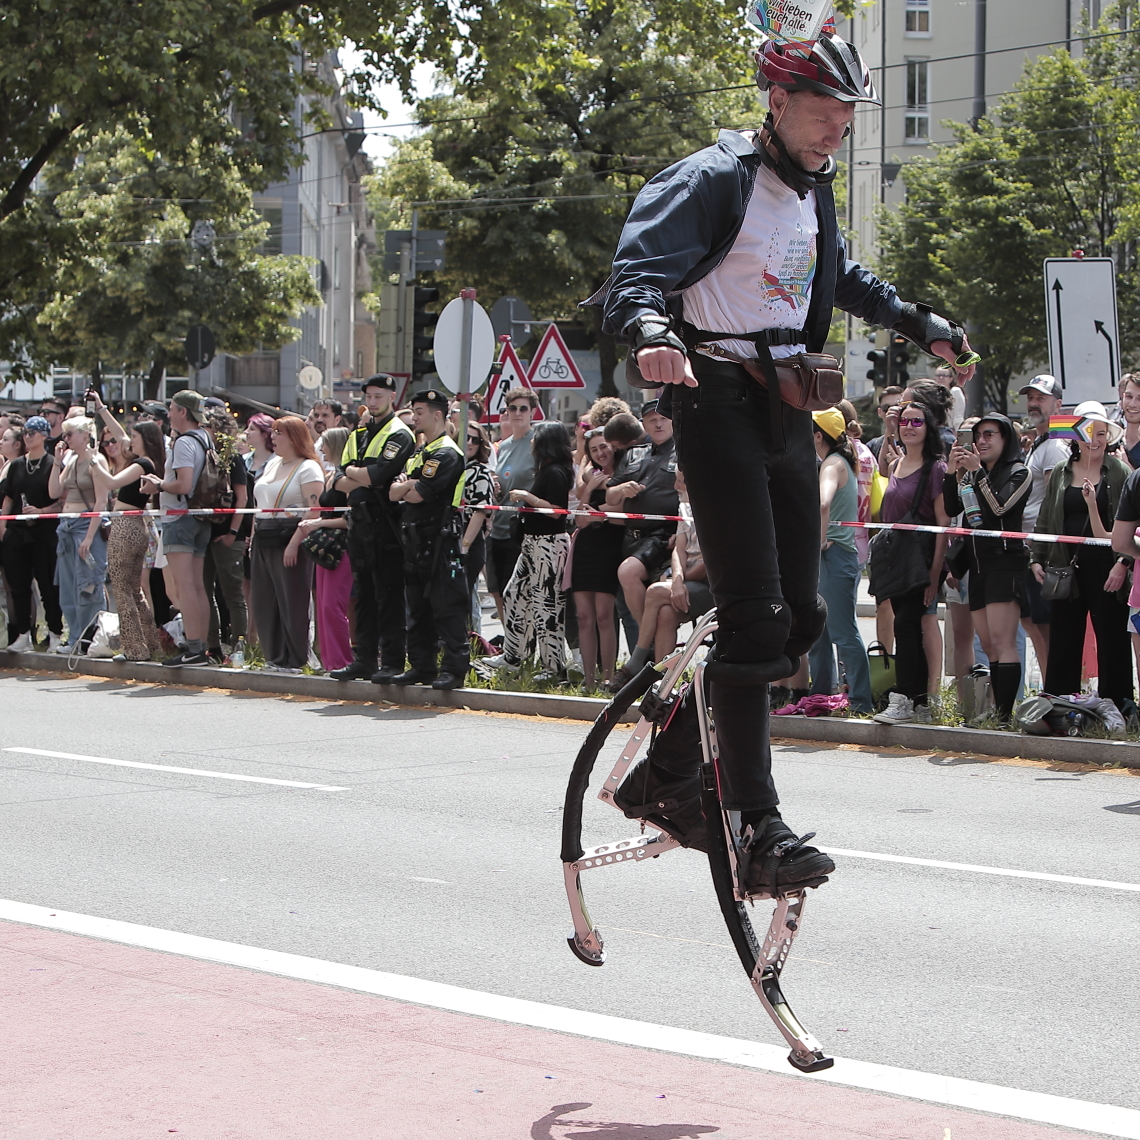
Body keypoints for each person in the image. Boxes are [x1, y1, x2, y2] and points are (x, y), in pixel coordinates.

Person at [590, 24, 975, 892]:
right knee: (756, 611)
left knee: (798, 616)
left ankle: (666, 772)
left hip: (790, 407)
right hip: (714, 398)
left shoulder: (811, 188)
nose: (841, 125)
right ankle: (753, 822)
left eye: (848, 111)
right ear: (776, 101)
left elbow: (839, 275)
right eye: (825, 108)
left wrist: (921, 323)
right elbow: (634, 278)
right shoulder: (710, 179)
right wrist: (653, 333)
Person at [1032, 402, 1133, 709]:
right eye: (1089, 432)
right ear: (1075, 436)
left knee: (1112, 638)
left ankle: (1118, 706)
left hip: (1108, 566)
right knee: (1064, 637)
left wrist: (1123, 563)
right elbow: (1046, 516)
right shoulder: (1062, 472)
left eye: (1102, 433)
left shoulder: (1119, 471)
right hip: (1066, 564)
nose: (1095, 439)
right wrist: (1037, 556)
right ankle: (1059, 705)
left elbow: (1133, 521)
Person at [944, 415, 1031, 723]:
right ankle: (997, 712)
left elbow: (1000, 508)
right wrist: (953, 473)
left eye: (989, 434)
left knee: (1003, 641)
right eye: (978, 435)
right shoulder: (971, 476)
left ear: (1005, 438)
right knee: (988, 644)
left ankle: (1006, 715)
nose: (982, 440)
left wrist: (978, 473)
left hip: (1004, 564)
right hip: (977, 567)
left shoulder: (1018, 472)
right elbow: (953, 508)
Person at [329, 374, 416, 683]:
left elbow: (379, 475)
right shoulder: (360, 432)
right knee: (363, 596)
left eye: (379, 396)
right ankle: (364, 659)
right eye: (369, 396)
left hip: (387, 524)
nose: (373, 401)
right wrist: (358, 475)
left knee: (388, 596)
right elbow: (336, 482)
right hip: (360, 525)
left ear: (392, 397)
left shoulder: (399, 433)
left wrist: (356, 475)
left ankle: (391, 662)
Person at [871, 398, 951, 725]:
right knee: (908, 627)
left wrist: (934, 574)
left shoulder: (937, 467)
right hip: (896, 560)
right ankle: (919, 703)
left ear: (928, 427)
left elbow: (943, 523)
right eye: (905, 421)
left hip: (923, 562)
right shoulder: (896, 464)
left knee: (905, 624)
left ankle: (903, 696)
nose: (909, 427)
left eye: (917, 421)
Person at [477, 421, 575, 682]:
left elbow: (556, 511)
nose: (531, 441)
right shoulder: (546, 470)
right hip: (532, 543)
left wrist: (528, 498)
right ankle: (513, 656)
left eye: (536, 437)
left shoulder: (555, 471)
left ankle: (554, 669)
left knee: (547, 607)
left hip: (548, 544)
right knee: (514, 595)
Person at [388, 389, 470, 690]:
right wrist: (406, 486)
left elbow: (418, 493)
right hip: (415, 540)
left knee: (446, 606)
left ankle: (453, 669)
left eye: (419, 411)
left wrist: (406, 487)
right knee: (417, 607)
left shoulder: (446, 453)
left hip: (439, 540)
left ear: (437, 415)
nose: (414, 417)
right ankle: (421, 666)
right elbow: (395, 492)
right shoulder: (420, 452)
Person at [607, 468, 712, 692]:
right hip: (684, 580)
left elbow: (710, 561)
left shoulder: (715, 510)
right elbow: (679, 551)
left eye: (681, 482)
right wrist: (677, 581)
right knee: (665, 614)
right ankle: (663, 684)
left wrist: (678, 582)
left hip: (709, 586)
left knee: (654, 591)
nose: (676, 486)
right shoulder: (684, 507)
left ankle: (635, 664)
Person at [137, 391, 216, 666]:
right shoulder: (205, 438)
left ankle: (193, 648)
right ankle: (201, 646)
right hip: (198, 517)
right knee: (197, 586)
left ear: (183, 412)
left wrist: (158, 484)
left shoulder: (184, 442)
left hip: (179, 518)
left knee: (186, 587)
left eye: (171, 408)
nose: (168, 413)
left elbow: (183, 485)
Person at [807, 407, 873, 715]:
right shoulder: (841, 460)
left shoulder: (832, 464)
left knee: (843, 632)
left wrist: (819, 540)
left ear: (818, 435)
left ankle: (861, 702)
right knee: (820, 633)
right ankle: (821, 696)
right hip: (834, 558)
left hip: (834, 557)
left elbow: (823, 502)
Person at [87, 411, 166, 662]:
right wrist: (101, 409)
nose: (128, 440)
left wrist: (94, 461)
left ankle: (133, 648)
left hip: (126, 526)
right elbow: (119, 432)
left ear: (145, 439)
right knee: (134, 590)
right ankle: (150, 645)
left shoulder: (142, 464)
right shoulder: (143, 461)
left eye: (134, 436)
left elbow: (110, 482)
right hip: (133, 526)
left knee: (122, 589)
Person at [249, 415, 325, 672]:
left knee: (292, 599)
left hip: (290, 536)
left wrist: (294, 543)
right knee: (264, 598)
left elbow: (314, 510)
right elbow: (258, 505)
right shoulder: (272, 464)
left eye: (278, 432)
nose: (272, 436)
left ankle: (296, 657)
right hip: (264, 535)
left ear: (293, 438)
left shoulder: (308, 468)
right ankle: (274, 655)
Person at [607, 402, 679, 636]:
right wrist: (621, 490)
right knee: (632, 598)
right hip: (631, 537)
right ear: (643, 424)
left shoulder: (685, 451)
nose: (658, 423)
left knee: (628, 572)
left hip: (664, 535)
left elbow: (699, 497)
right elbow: (610, 493)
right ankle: (651, 647)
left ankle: (647, 640)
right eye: (652, 420)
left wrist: (683, 531)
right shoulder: (632, 454)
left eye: (663, 418)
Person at [1016, 376, 1069, 671]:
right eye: (1031, 397)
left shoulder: (1056, 446)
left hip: (1042, 551)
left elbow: (1053, 503)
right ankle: (1051, 691)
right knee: (1034, 625)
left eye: (1041, 398)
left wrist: (1043, 552)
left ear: (1058, 405)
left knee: (1045, 628)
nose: (1033, 403)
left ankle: (1054, 694)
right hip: (1028, 548)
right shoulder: (1040, 442)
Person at [0, 417, 64, 652]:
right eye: (26, 432)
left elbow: (61, 501)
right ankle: (23, 634)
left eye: (34, 433)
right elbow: (8, 497)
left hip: (44, 532)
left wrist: (41, 511)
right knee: (19, 586)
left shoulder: (52, 464)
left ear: (45, 436)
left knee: (48, 585)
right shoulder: (16, 465)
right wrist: (4, 526)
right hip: (17, 532)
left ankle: (55, 632)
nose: (28, 436)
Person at [47, 415, 109, 651]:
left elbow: (101, 501)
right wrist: (57, 461)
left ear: (85, 435)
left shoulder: (96, 461)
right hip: (67, 525)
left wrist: (90, 536)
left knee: (88, 585)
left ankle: (89, 637)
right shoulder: (72, 459)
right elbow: (54, 491)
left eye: (70, 434)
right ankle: (75, 637)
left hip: (85, 525)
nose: (66, 439)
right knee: (68, 585)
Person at [572, 429, 625, 689]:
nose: (600, 453)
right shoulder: (590, 477)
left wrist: (599, 513)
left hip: (609, 548)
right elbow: (580, 519)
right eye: (594, 450)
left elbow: (622, 513)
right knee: (584, 616)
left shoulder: (624, 474)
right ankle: (589, 680)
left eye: (603, 446)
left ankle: (608, 677)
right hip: (585, 548)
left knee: (605, 616)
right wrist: (589, 488)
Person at [298, 427, 353, 673]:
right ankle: (330, 662)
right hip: (326, 546)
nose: (321, 449)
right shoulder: (331, 475)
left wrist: (319, 523)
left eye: (325, 444)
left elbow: (351, 518)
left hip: (342, 547)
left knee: (333, 605)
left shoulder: (348, 479)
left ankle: (343, 661)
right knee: (323, 605)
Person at [486, 388, 537, 626]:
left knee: (521, 594)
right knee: (500, 591)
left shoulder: (538, 443)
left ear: (533, 412)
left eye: (523, 408)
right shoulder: (503, 446)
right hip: (498, 527)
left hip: (524, 530)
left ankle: (526, 651)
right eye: (512, 408)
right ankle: (511, 649)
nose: (517, 413)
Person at [459, 421, 495, 625]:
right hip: (449, 538)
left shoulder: (481, 472)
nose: (470, 443)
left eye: (475, 439)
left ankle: (472, 647)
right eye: (466, 437)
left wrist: (464, 547)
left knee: (465, 600)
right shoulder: (454, 466)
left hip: (469, 542)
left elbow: (480, 511)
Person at [865, 386, 905, 459]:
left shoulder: (914, 441)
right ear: (880, 412)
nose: (892, 412)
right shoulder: (873, 446)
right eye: (886, 408)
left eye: (898, 407)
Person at [1119, 373, 1140, 469]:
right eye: (1129, 397)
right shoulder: (1112, 439)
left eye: (1139, 399)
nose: (1132, 404)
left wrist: (1125, 465)